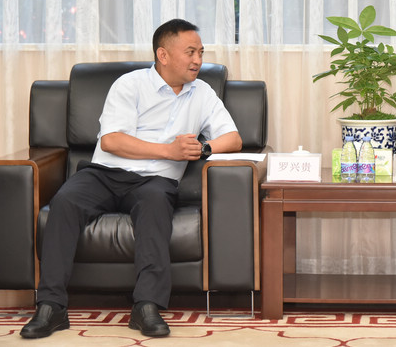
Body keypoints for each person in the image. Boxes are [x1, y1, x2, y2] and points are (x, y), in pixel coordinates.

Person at [20, 19, 242, 339]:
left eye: (201, 52)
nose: (198, 60)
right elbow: (112, 141)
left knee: (155, 205)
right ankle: (50, 306)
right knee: (65, 201)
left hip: (155, 182)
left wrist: (202, 147)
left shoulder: (202, 92)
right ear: (163, 55)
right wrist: (169, 151)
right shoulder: (130, 84)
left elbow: (233, 138)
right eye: (190, 52)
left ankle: (147, 306)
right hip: (105, 174)